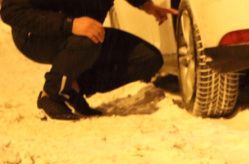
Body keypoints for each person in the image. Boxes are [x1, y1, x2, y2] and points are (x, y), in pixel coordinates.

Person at [1, 0, 178, 120]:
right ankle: (51, 95)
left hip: (86, 33)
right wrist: (70, 23)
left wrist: (144, 4)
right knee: (87, 41)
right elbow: (11, 11)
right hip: (37, 35)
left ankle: (73, 86)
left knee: (148, 59)